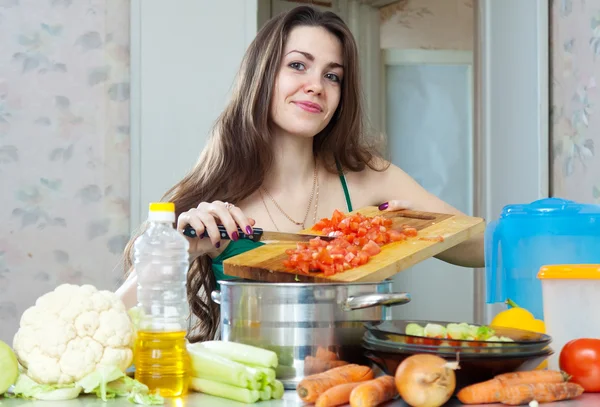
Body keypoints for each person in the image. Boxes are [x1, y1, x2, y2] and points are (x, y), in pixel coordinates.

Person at [116, 5, 485, 342]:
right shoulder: (211, 197)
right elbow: (114, 320)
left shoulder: (372, 176)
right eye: (297, 65)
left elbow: (482, 246)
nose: (316, 86)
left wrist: (422, 229)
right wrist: (178, 251)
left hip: (353, 385)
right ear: (262, 75)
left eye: (333, 76)